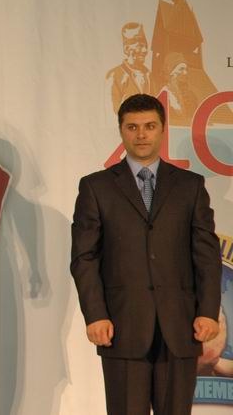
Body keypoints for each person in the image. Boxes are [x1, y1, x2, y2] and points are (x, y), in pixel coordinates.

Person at [70, 93, 222, 415]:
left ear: (162, 130)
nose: (141, 134)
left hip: (180, 326)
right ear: (121, 130)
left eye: (149, 126)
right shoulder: (96, 187)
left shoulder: (190, 186)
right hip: (121, 326)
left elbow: (207, 256)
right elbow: (84, 257)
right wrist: (95, 314)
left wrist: (209, 311)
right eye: (133, 127)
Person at [106, 23, 151, 113]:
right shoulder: (114, 76)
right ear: (127, 49)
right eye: (139, 46)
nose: (145, 50)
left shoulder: (150, 75)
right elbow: (111, 114)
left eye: (145, 45)